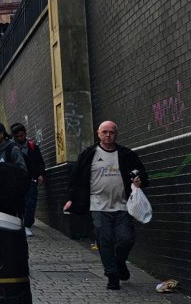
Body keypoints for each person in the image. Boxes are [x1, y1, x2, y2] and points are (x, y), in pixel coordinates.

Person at [64, 120, 150, 290]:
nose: (108, 135)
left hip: (123, 205)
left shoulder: (126, 154)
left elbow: (141, 173)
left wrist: (140, 180)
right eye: (104, 132)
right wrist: (71, 199)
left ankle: (119, 263)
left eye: (111, 132)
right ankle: (112, 275)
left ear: (116, 134)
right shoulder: (89, 154)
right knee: (105, 241)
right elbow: (77, 178)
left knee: (126, 239)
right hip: (98, 205)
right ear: (98, 133)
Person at [10, 123, 46, 236]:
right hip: (17, 180)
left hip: (31, 179)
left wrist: (40, 174)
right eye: (18, 136)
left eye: (22, 135)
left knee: (31, 202)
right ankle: (19, 223)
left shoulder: (32, 147)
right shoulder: (11, 148)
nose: (21, 138)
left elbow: (39, 162)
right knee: (19, 202)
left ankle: (27, 224)